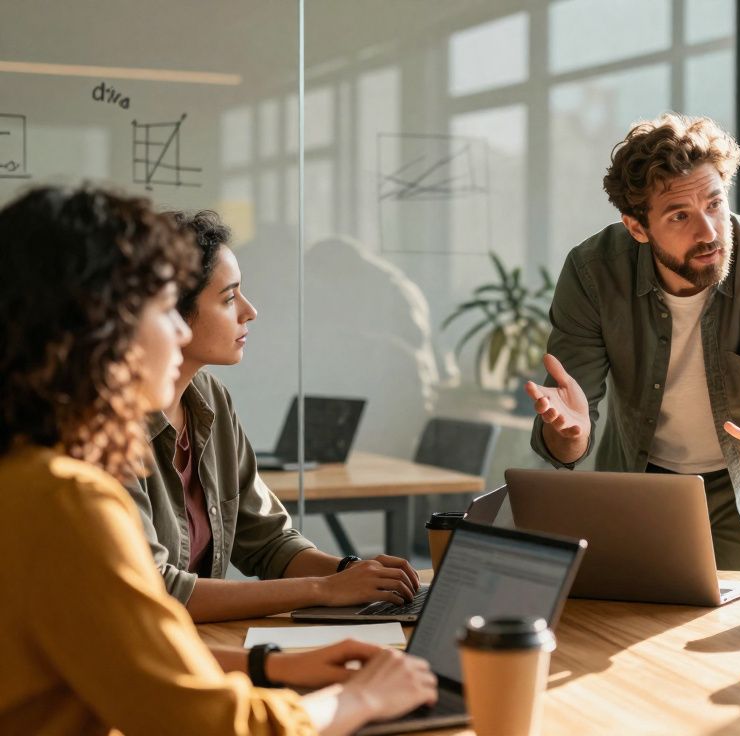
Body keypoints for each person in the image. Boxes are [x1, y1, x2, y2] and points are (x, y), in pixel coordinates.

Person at [0, 186, 436, 734]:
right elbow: (207, 725)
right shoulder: (67, 500)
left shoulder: (26, 475)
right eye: (165, 310)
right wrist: (360, 699)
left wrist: (271, 666)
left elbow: (133, 661)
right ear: (103, 328)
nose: (180, 331)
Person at [522, 114, 740, 571]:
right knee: (624, 613)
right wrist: (572, 436)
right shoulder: (593, 273)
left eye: (715, 204)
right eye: (680, 215)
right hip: (640, 483)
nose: (709, 232)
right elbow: (565, 438)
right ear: (637, 228)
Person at [126, 210, 420, 623]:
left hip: (191, 642)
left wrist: (351, 573)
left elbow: (267, 540)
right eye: (229, 298)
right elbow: (156, 591)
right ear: (171, 312)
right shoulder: (107, 430)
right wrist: (325, 589)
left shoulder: (210, 398)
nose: (250, 311)